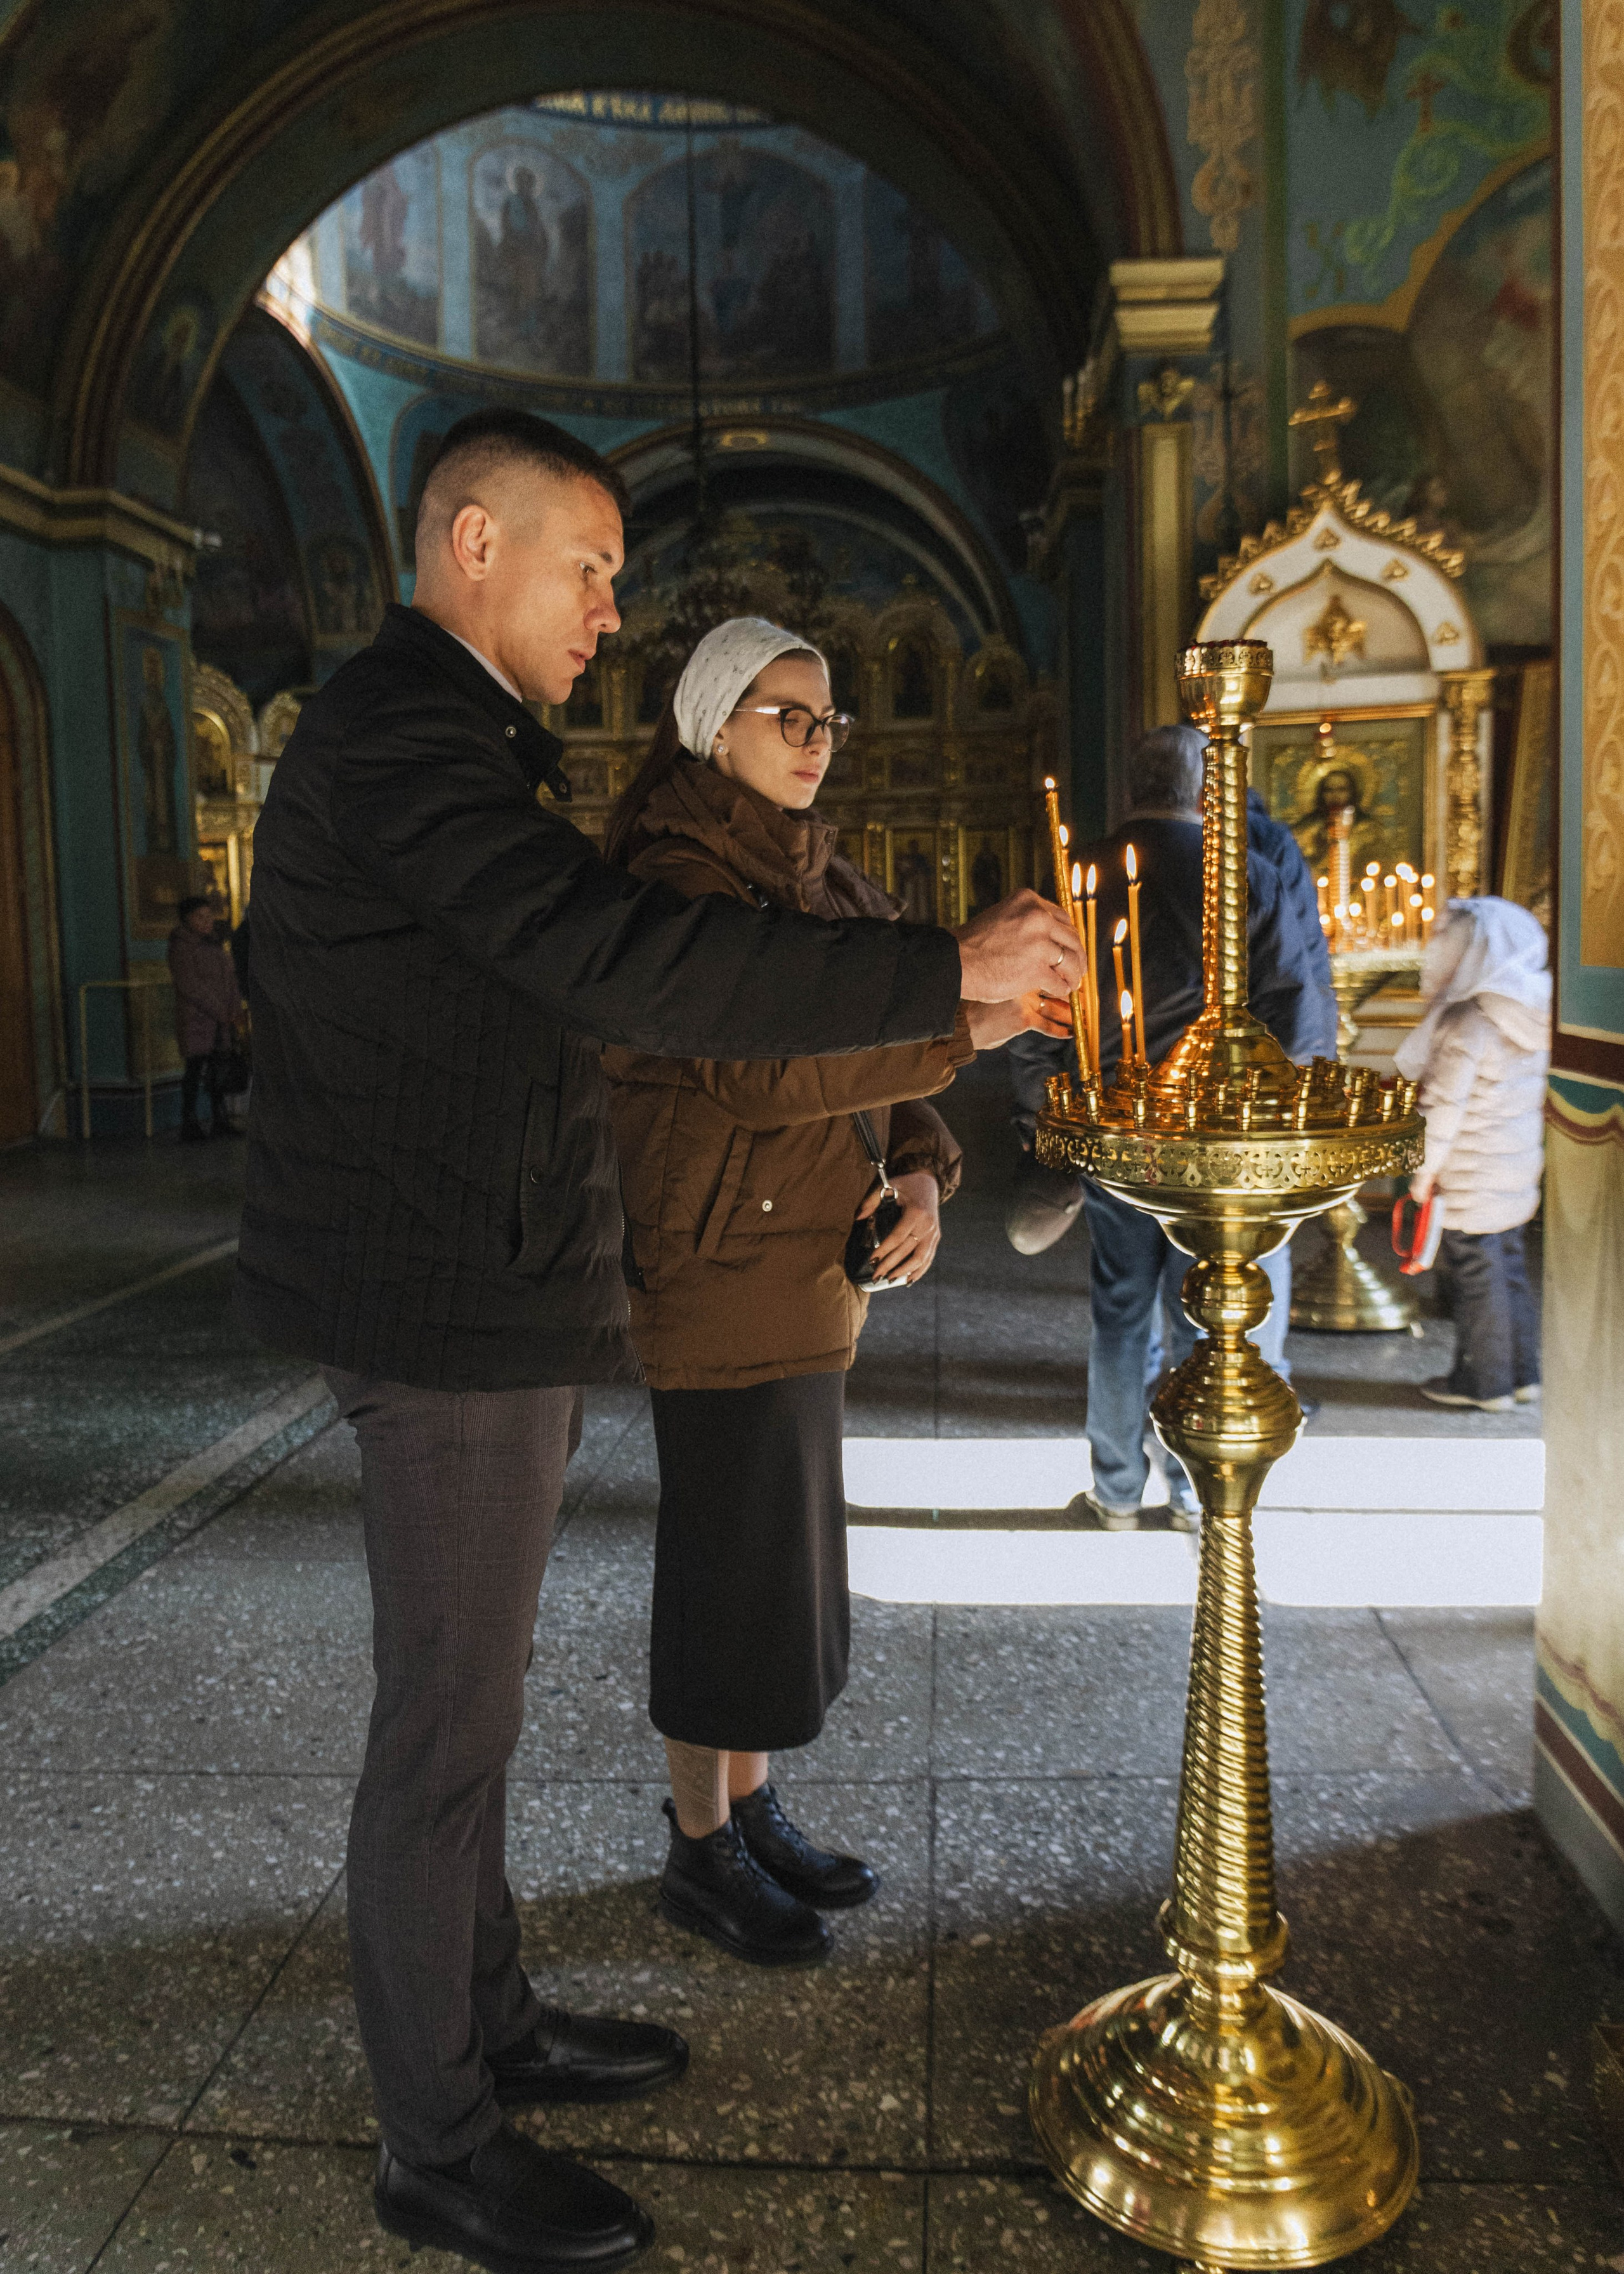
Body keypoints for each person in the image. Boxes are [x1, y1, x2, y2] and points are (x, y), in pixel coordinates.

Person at [234, 407, 1080, 2274]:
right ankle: (440, 2146)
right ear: (473, 544)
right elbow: (624, 964)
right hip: (441, 1300)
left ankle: (493, 2024)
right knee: (442, 1734)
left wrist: (927, 1041)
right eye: (592, 568)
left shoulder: (458, 742)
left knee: (474, 1714)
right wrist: (943, 977)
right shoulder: (401, 740)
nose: (610, 611)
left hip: (489, 1284)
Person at [601, 619, 1063, 1969]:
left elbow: (880, 1047)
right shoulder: (677, 879)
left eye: (827, 720)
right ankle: (698, 1848)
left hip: (806, 1265)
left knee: (780, 1570)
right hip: (716, 1269)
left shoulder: (818, 872)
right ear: (713, 724)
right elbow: (766, 1067)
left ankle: (749, 1809)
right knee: (724, 1572)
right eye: (785, 714)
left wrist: (920, 1169)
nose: (814, 741)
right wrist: (973, 1014)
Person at [1005, 724, 1337, 1527]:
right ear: (1207, 793)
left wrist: (1050, 1122)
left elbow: (1033, 1020)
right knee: (1218, 1312)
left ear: (1131, 790)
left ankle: (1117, 1488)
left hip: (1116, 1133)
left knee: (1121, 1308)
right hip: (1222, 1144)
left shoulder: (1078, 876)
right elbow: (1299, 1024)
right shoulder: (1247, 876)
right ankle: (1199, 1491)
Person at [1394, 896, 1549, 1411]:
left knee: (1475, 1277)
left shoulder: (1469, 1021)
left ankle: (1485, 1383)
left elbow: (1444, 1110)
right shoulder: (1529, 1011)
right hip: (1514, 1165)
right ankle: (1523, 1374)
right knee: (1508, 1269)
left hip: (1470, 1171)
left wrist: (1423, 1174)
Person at [167, 891, 242, 1141]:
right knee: (195, 1068)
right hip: (197, 1020)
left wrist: (234, 1008)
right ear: (187, 919)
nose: (207, 921)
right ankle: (189, 1122)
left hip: (220, 1020)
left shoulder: (215, 943)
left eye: (209, 916)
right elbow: (189, 985)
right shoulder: (182, 946)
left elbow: (229, 978)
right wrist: (220, 1009)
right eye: (200, 917)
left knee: (218, 1069)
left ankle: (220, 1119)